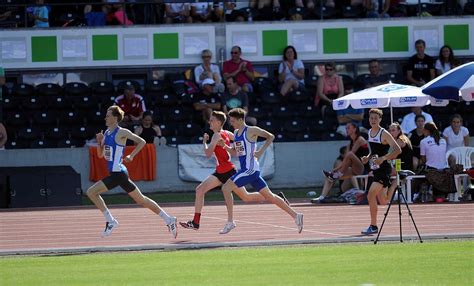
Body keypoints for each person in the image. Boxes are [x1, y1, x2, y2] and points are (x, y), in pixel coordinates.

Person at [179, 111, 287, 232]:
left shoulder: (216, 135)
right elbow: (240, 140)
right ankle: (195, 222)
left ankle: (276, 198)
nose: (210, 122)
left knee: (246, 197)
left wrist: (204, 142)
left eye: (212, 120)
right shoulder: (228, 133)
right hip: (220, 171)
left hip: (228, 171)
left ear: (219, 123)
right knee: (200, 190)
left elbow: (208, 154)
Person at [86, 106, 178, 238]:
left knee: (91, 192)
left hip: (118, 173)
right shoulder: (106, 133)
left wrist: (132, 155)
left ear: (115, 118)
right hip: (119, 173)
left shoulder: (121, 132)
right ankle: (169, 219)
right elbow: (101, 155)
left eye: (108, 115)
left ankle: (111, 221)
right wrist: (100, 142)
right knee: (141, 200)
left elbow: (142, 141)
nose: (105, 117)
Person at [219, 108, 304, 234]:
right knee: (270, 197)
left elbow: (270, 136)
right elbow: (236, 152)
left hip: (250, 170)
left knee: (225, 188)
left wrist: (260, 152)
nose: (231, 123)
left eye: (233, 121)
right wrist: (225, 146)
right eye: (230, 121)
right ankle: (296, 215)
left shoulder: (251, 130)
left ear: (241, 119)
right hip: (248, 170)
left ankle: (230, 222)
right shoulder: (236, 133)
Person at [361, 108, 401, 235]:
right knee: (383, 201)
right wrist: (367, 157)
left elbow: (397, 149)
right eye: (371, 118)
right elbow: (373, 151)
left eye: (375, 118)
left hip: (383, 169)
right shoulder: (369, 132)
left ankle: (373, 226)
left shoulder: (384, 133)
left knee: (370, 195)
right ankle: (394, 184)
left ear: (380, 119)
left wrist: (383, 158)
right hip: (375, 168)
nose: (373, 120)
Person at [314, 122, 369, 203]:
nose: (346, 130)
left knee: (350, 154)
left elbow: (351, 154)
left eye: (348, 128)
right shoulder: (350, 143)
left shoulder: (360, 139)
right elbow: (345, 159)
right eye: (346, 128)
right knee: (329, 177)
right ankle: (322, 197)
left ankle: (337, 174)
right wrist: (335, 170)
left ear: (355, 129)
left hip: (362, 168)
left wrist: (337, 168)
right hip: (353, 169)